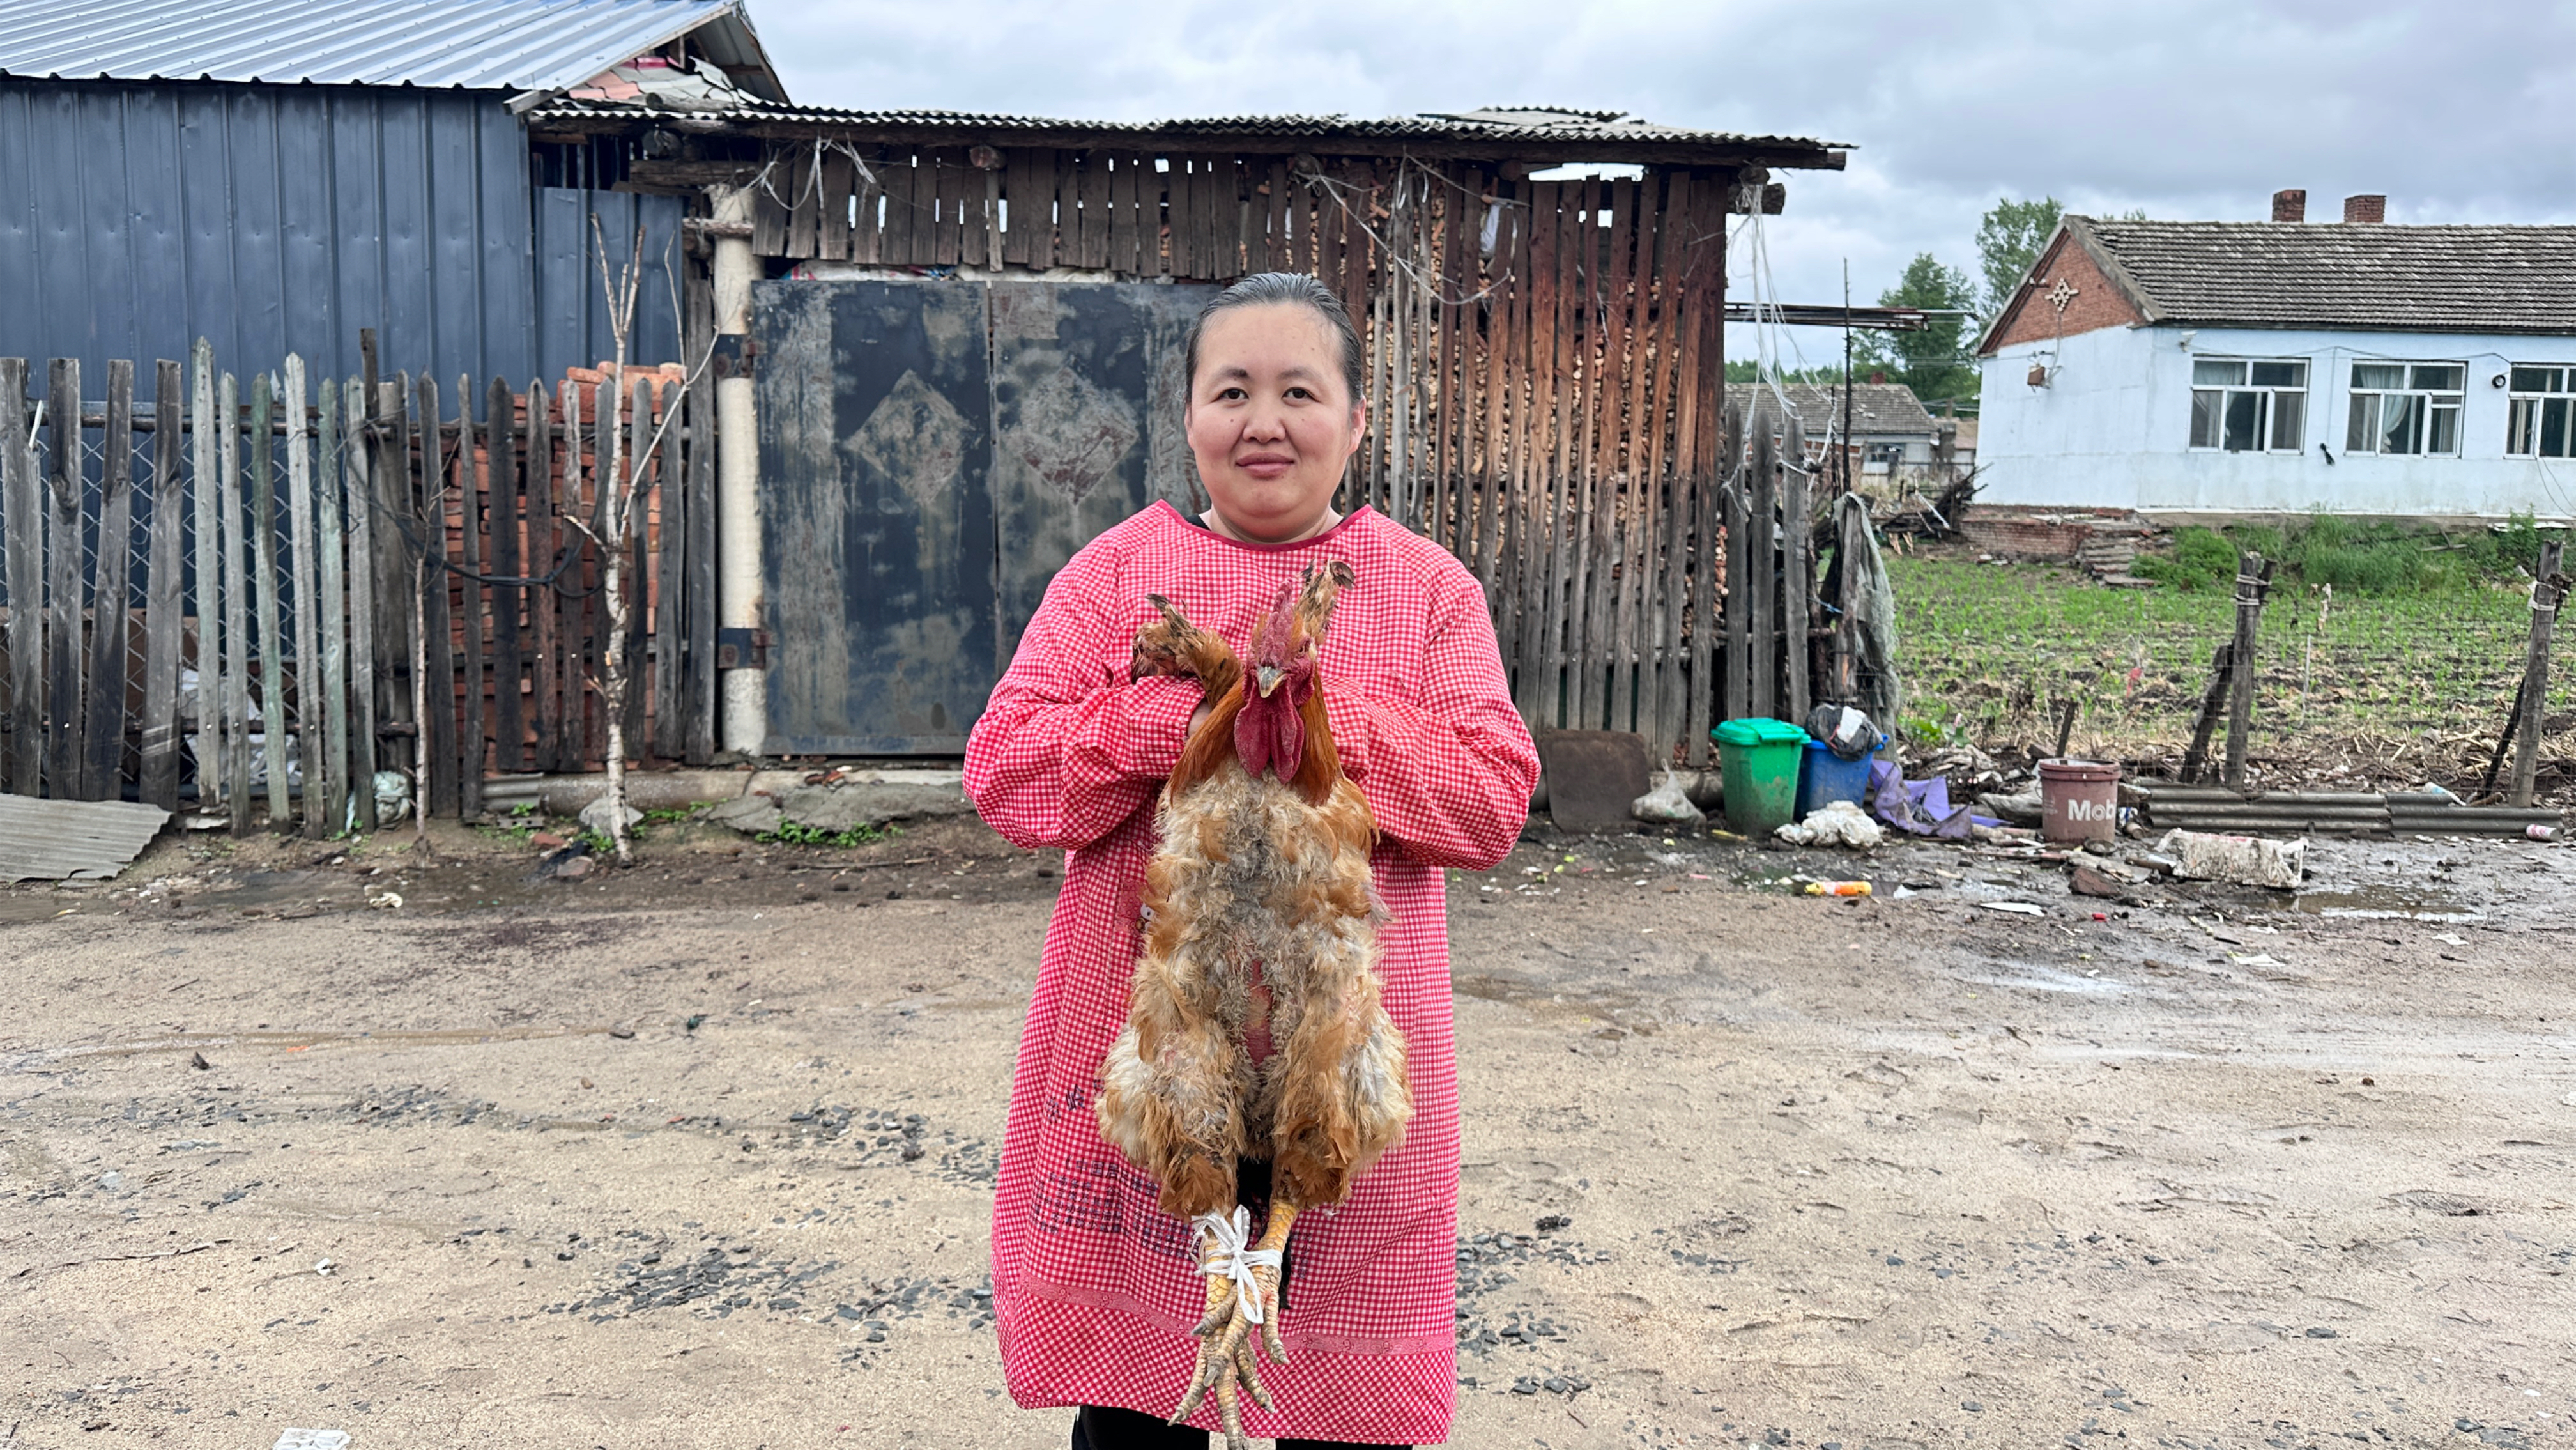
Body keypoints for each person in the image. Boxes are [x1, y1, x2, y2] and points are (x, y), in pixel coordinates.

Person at [965, 272, 1539, 1448]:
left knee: (1345, 1414)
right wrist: (1167, 718)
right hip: (1153, 1061)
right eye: (1231, 390)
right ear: (1189, 417)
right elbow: (1007, 772)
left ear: (1357, 420)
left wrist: (1324, 716)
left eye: (1298, 391)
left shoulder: (1428, 593)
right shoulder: (1118, 575)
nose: (1263, 421)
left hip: (1348, 1069)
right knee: (1139, 1418)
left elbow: (1490, 803)